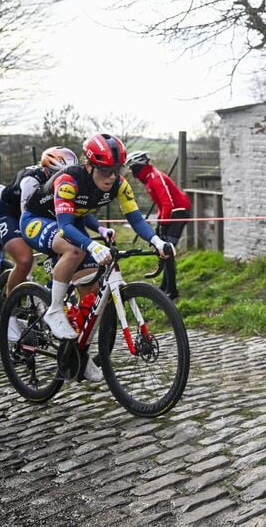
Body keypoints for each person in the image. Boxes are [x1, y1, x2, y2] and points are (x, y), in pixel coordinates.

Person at [20, 134, 174, 382]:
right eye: (105, 170)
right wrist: (93, 245)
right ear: (89, 165)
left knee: (90, 294)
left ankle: (80, 354)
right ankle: (54, 309)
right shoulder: (69, 180)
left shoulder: (119, 184)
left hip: (72, 223)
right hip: (39, 220)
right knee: (76, 250)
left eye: (116, 169)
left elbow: (135, 219)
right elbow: (66, 226)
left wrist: (157, 241)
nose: (111, 176)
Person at [0, 147, 78, 310]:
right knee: (25, 260)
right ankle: (9, 310)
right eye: (58, 173)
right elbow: (29, 218)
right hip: (10, 213)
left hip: (37, 212)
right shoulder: (30, 181)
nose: (64, 177)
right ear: (46, 171)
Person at [124, 150, 191, 299]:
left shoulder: (155, 177)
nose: (131, 173)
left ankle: (172, 291)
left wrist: (164, 223)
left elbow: (168, 202)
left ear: (138, 167)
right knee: (164, 251)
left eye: (132, 169)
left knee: (167, 250)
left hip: (179, 212)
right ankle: (164, 286)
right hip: (172, 213)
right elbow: (161, 206)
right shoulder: (149, 178)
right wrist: (159, 223)